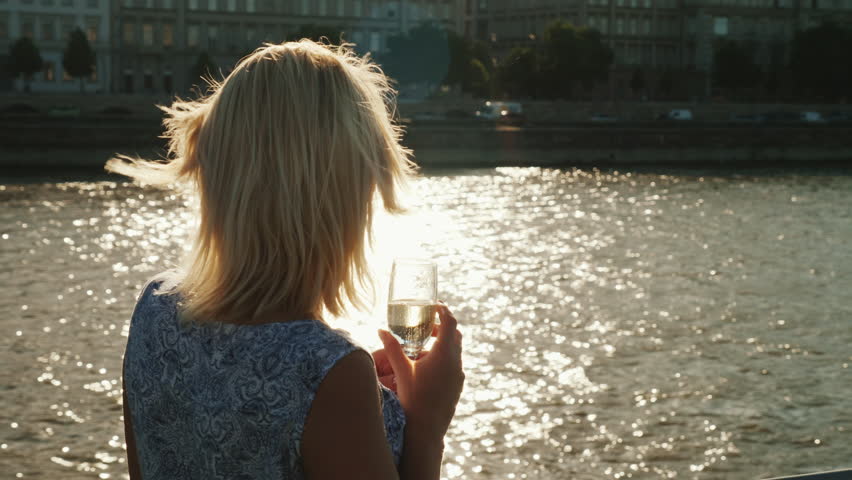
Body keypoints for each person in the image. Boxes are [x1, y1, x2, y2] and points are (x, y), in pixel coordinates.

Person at [109, 40, 465, 480]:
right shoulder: (328, 371)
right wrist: (427, 425)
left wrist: (355, 397)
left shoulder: (154, 309)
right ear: (341, 195)